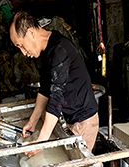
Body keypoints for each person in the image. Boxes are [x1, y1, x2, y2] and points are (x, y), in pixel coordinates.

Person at [9, 10, 99, 157]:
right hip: (72, 117)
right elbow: (46, 88)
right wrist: (33, 121)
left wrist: (41, 142)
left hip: (84, 120)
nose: (23, 53)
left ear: (31, 32)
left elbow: (56, 97)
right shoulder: (47, 49)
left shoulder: (59, 50)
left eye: (21, 45)